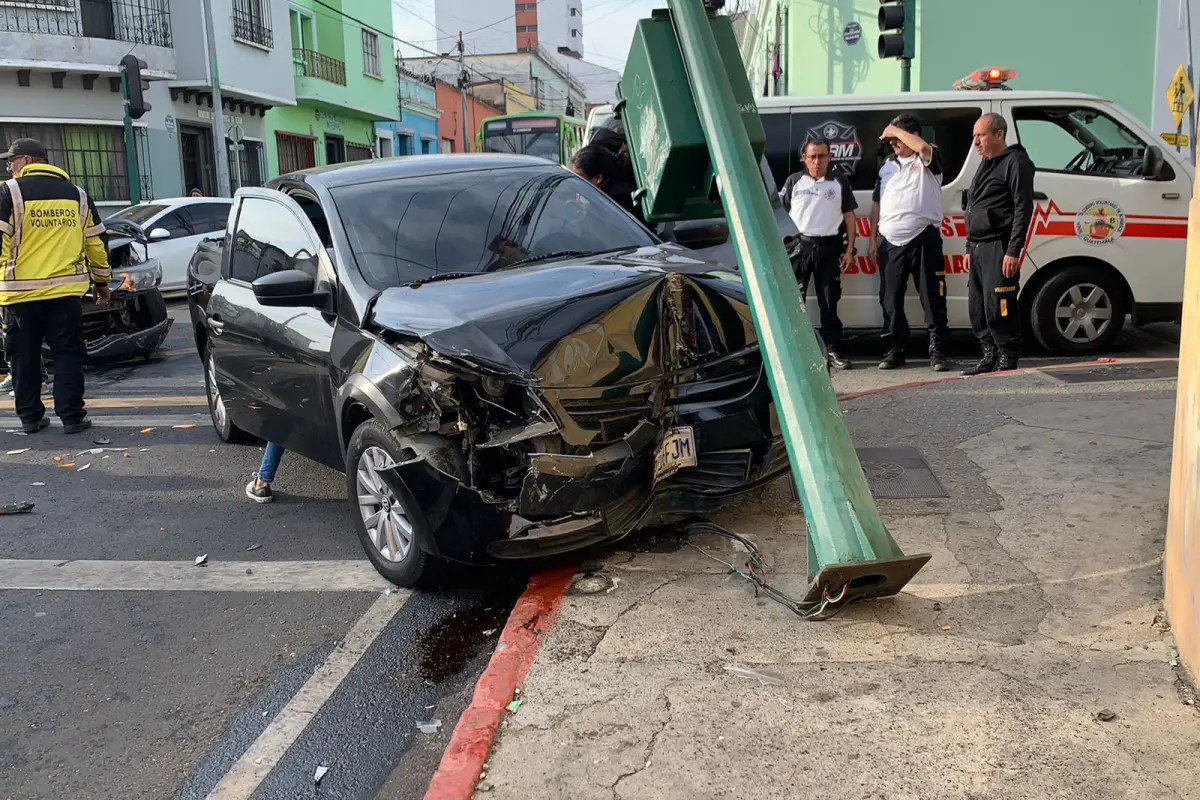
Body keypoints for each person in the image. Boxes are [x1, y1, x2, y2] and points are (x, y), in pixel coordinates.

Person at [0, 138, 110, 434]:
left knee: (23, 357)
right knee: (68, 354)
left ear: (29, 160)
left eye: (12, 160)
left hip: (19, 294)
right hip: (64, 294)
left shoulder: (8, 193)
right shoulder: (77, 195)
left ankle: (31, 418)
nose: (9, 167)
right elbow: (96, 243)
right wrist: (101, 281)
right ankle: (72, 417)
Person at [874, 114, 950, 372]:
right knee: (890, 299)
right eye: (892, 138)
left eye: (898, 137)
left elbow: (923, 147)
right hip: (890, 242)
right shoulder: (886, 166)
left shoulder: (929, 157)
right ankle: (894, 349)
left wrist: (894, 129)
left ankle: (937, 351)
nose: (893, 142)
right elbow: (878, 201)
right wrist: (877, 236)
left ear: (913, 136)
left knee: (932, 298)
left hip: (923, 237)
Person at [962, 113, 1035, 375]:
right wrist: (969, 247)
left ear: (999, 134)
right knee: (978, 307)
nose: (976, 142)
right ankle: (989, 353)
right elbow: (973, 206)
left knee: (999, 304)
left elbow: (1022, 208)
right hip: (979, 247)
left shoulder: (1015, 162)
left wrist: (1013, 250)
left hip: (999, 245)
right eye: (974, 136)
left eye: (980, 135)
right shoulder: (986, 163)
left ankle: (1007, 354)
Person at [779, 137, 857, 369]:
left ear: (830, 157)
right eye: (812, 156)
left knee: (829, 302)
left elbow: (850, 218)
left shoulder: (839, 181)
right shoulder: (794, 182)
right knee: (796, 303)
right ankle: (797, 353)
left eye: (822, 156)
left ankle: (832, 351)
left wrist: (850, 250)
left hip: (829, 248)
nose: (817, 161)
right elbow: (780, 218)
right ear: (804, 158)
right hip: (799, 248)